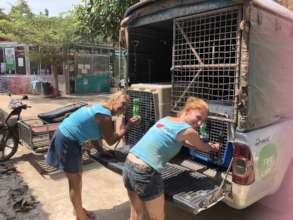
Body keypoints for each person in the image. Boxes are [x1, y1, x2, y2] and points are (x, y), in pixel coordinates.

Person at [46, 90, 140, 220]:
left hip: (68, 138)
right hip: (67, 140)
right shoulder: (105, 115)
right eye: (122, 103)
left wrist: (101, 150)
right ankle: (80, 217)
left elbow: (93, 134)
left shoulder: (100, 107)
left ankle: (78, 210)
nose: (123, 108)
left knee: (77, 177)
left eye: (126, 106)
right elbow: (111, 140)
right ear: (114, 99)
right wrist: (128, 125)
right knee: (75, 181)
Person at [122, 97, 221, 220]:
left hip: (129, 164)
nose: (200, 123)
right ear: (188, 110)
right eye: (198, 117)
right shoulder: (189, 131)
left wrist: (195, 144)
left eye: (203, 120)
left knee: (136, 214)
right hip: (145, 172)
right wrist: (214, 147)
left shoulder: (166, 119)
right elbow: (202, 147)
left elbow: (179, 140)